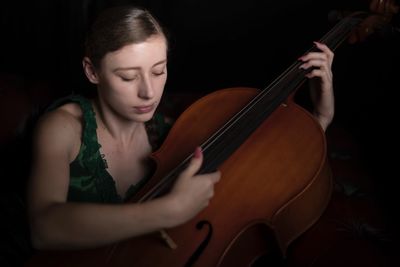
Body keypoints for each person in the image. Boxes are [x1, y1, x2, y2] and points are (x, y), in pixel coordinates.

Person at [27, 5, 335, 250]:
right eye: (128, 77)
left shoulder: (175, 135)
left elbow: (262, 174)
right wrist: (167, 211)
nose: (149, 92)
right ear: (92, 71)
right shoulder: (63, 127)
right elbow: (43, 227)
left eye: (158, 71)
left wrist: (319, 117)